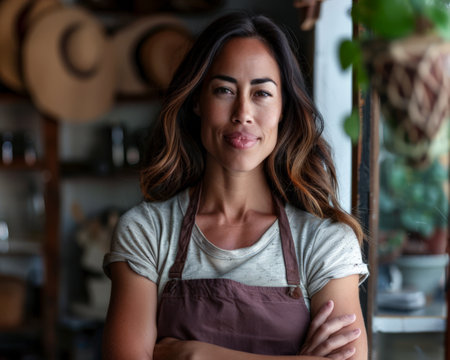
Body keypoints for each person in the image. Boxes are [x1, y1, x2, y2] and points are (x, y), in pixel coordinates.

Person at [102, 11, 369, 360]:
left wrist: (196, 355)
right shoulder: (147, 232)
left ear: (283, 109)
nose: (243, 113)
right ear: (197, 100)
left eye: (262, 94)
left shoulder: (325, 242)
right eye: (224, 90)